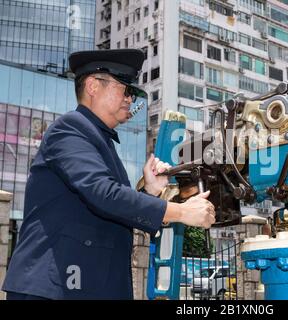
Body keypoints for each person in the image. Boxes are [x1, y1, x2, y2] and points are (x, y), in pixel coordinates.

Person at [2, 49, 215, 300]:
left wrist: (150, 191)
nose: (130, 99)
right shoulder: (71, 128)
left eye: (133, 93)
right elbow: (103, 194)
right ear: (93, 86)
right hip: (55, 288)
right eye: (126, 89)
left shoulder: (99, 140)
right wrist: (182, 212)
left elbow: (108, 209)